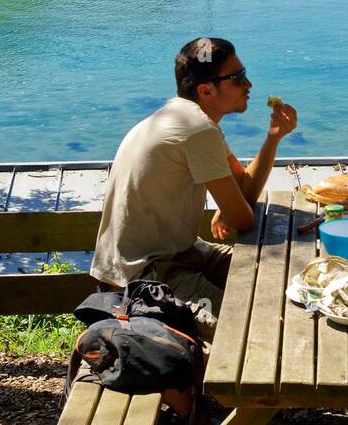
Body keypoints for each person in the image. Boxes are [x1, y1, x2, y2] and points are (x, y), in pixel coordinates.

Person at [91, 37, 297, 349]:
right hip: (146, 276)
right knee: (249, 327)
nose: (249, 84)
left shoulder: (188, 118)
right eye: (238, 78)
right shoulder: (197, 129)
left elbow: (243, 192)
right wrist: (231, 208)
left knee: (274, 274)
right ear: (206, 90)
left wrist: (273, 139)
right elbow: (242, 218)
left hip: (180, 253)